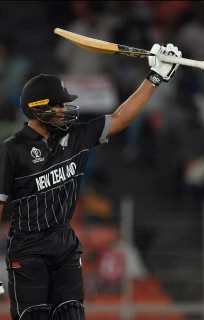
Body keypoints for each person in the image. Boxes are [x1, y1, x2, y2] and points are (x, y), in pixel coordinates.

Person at [0, 43, 182, 320]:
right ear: (37, 109)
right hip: (27, 248)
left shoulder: (77, 137)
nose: (65, 109)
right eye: (58, 104)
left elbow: (120, 118)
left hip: (64, 244)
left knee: (73, 315)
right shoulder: (11, 150)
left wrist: (156, 77)